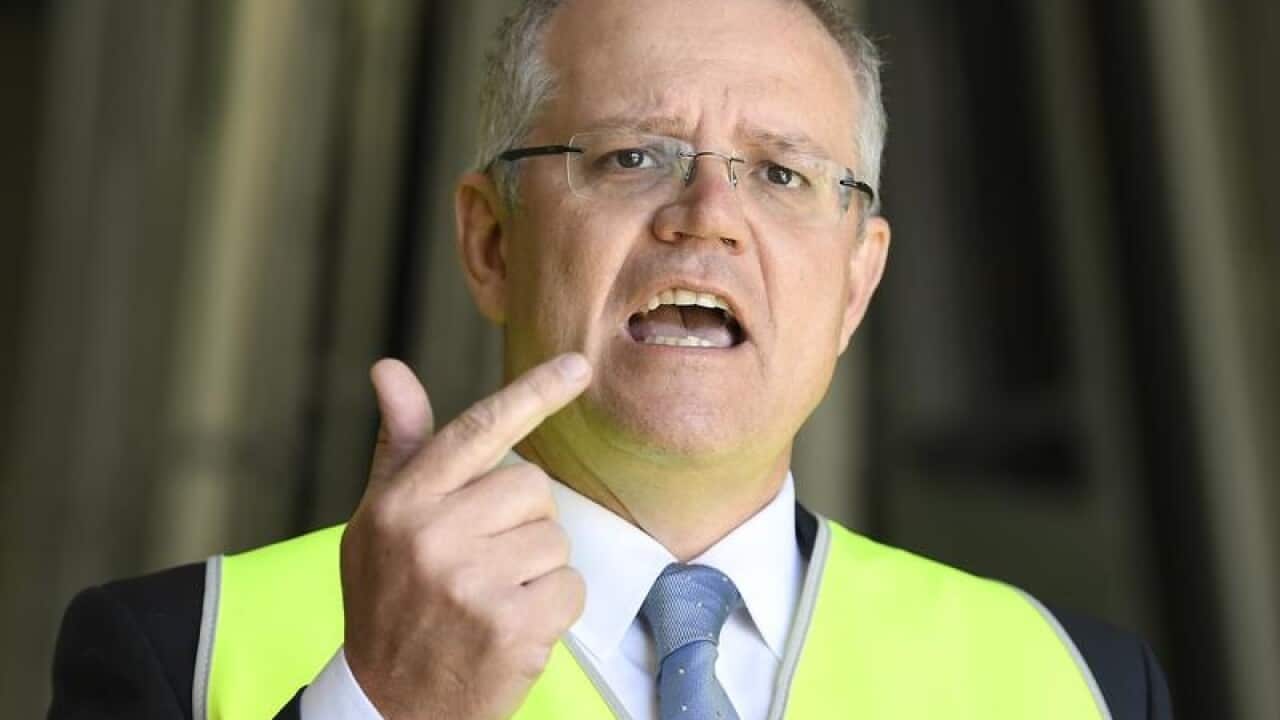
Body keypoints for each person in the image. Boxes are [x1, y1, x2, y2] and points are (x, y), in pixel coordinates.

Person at [49, 0, 1174, 718]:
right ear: (490, 242)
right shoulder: (180, 655)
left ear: (855, 282)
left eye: (780, 174)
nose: (708, 216)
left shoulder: (1076, 684)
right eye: (633, 154)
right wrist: (378, 708)